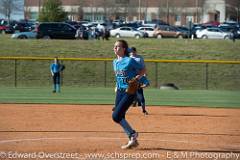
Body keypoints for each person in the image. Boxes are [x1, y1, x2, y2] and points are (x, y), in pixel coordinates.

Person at [112, 40, 146, 149]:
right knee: (120, 116)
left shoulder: (129, 61)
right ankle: (132, 140)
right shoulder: (115, 62)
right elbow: (119, 77)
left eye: (117, 47)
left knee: (116, 116)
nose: (115, 48)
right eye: (114, 46)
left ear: (124, 49)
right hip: (119, 92)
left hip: (129, 91)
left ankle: (133, 134)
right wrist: (117, 86)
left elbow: (143, 69)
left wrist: (136, 78)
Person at [130, 47, 149, 115]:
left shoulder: (139, 58)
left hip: (138, 77)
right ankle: (119, 107)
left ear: (135, 51)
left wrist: (144, 74)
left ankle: (143, 110)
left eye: (133, 51)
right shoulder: (128, 58)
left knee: (140, 95)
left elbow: (143, 67)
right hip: (130, 78)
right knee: (125, 95)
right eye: (130, 51)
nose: (132, 52)